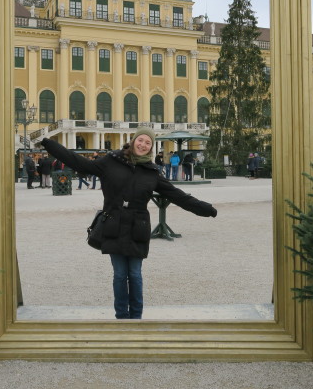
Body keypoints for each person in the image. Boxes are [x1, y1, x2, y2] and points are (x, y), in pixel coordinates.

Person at [41, 127, 217, 320]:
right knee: (119, 275)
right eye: (140, 140)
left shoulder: (152, 172)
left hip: (137, 228)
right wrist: (49, 144)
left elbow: (178, 196)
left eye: (147, 142)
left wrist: (205, 209)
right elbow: (77, 161)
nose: (143, 144)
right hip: (114, 224)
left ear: (150, 147)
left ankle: (136, 318)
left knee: (134, 274)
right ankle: (122, 317)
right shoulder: (111, 161)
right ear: (133, 141)